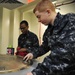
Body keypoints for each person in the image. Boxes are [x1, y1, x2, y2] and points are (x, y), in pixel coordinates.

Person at [24, 0, 75, 75]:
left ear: (48, 12)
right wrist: (33, 53)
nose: (38, 20)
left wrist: (37, 72)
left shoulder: (70, 20)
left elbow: (64, 55)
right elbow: (44, 47)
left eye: (39, 17)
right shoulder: (48, 31)